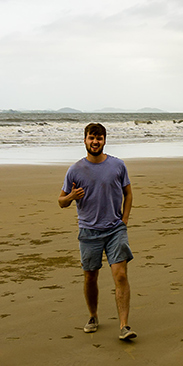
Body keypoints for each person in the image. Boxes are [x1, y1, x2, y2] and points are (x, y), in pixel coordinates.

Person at [58, 123, 136, 341]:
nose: (95, 142)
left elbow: (128, 193)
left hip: (115, 229)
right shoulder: (75, 170)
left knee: (120, 274)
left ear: (104, 140)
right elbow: (61, 201)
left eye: (99, 138)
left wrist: (125, 218)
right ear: (84, 140)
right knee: (90, 276)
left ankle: (124, 325)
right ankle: (93, 316)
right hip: (89, 231)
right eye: (92, 138)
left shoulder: (117, 165)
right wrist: (71, 197)